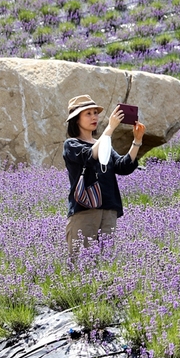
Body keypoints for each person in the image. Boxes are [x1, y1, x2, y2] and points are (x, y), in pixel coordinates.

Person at [64, 95, 146, 257]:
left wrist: (137, 141)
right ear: (76, 119)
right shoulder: (72, 144)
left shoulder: (103, 142)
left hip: (109, 208)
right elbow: (89, 156)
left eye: (95, 113)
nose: (94, 117)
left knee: (105, 261)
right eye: (88, 114)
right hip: (85, 209)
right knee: (81, 260)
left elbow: (123, 166)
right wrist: (110, 128)